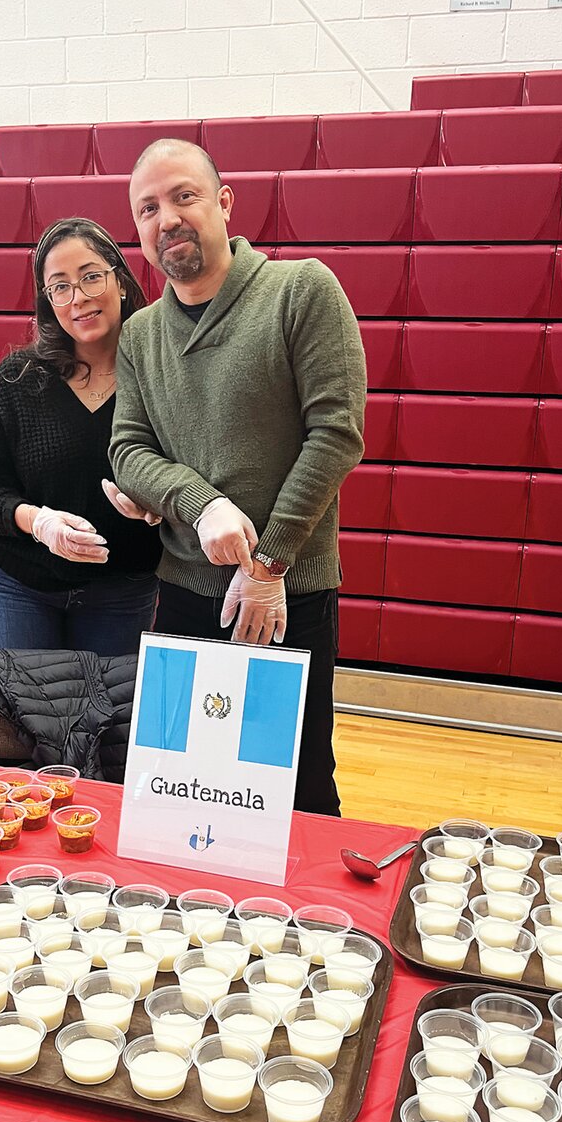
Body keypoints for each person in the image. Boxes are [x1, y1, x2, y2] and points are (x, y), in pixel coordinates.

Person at [108, 140, 366, 817]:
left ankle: (310, 922)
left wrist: (268, 563)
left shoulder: (301, 290)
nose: (166, 218)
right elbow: (128, 449)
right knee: (179, 788)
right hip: (185, 590)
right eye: (147, 208)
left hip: (288, 593)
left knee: (295, 786)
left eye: (183, 196)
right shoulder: (138, 335)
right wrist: (201, 504)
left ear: (223, 203)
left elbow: (336, 434)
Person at [0, 217, 162, 656]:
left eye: (90, 277)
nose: (78, 299)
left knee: (103, 722)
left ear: (120, 281)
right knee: (22, 718)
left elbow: (193, 474)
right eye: (60, 287)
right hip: (17, 585)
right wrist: (38, 522)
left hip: (120, 591)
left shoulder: (161, 375)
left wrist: (160, 504)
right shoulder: (19, 378)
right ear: (48, 301)